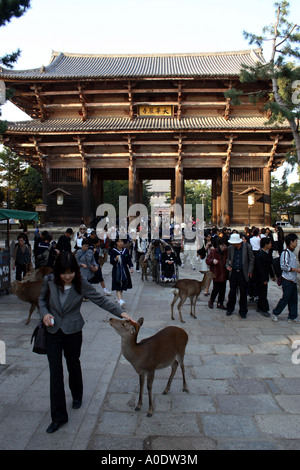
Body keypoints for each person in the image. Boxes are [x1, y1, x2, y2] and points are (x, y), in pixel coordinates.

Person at [39, 252, 135, 434]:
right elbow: (41, 300)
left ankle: (77, 394)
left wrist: (121, 313)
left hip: (73, 330)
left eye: (71, 272)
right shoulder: (49, 281)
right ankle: (58, 417)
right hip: (53, 331)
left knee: (73, 363)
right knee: (55, 372)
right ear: (57, 271)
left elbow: (101, 300)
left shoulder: (81, 284)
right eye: (63, 273)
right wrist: (44, 313)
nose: (67, 276)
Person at [272, 233, 300, 323]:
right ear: (291, 242)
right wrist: (295, 269)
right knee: (286, 298)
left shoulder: (292, 253)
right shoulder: (285, 253)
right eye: (295, 241)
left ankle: (292, 316)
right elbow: (283, 266)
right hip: (287, 279)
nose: (296, 243)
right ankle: (276, 313)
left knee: (294, 299)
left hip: (293, 280)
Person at [225, 232, 254, 319]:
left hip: (243, 272)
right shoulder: (230, 248)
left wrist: (250, 271)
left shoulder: (247, 247)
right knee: (232, 292)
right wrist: (227, 266)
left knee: (243, 293)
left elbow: (251, 260)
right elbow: (228, 260)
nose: (233, 245)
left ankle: (243, 311)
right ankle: (230, 308)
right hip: (233, 272)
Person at [110, 237, 133, 307]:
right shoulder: (113, 251)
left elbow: (129, 259)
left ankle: (119, 297)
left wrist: (131, 267)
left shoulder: (125, 251)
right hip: (117, 269)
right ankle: (120, 300)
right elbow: (111, 261)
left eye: (122, 241)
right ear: (116, 243)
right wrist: (115, 259)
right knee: (117, 284)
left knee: (123, 284)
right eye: (119, 241)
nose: (120, 243)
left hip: (124, 269)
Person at [256, 237, 276, 317]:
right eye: (270, 243)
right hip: (261, 278)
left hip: (264, 276)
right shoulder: (260, 255)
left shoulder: (266, 254)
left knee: (262, 293)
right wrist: (264, 279)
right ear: (266, 245)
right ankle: (264, 309)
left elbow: (269, 266)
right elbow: (260, 269)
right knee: (263, 293)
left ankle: (259, 307)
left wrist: (272, 275)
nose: (271, 245)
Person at [206, 238, 228, 310]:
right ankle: (211, 301)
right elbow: (207, 260)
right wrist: (212, 260)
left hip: (224, 273)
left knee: (223, 289)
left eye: (225, 246)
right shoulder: (214, 251)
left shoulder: (227, 252)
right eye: (222, 246)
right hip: (216, 273)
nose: (223, 248)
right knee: (216, 289)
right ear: (219, 245)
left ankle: (220, 303)